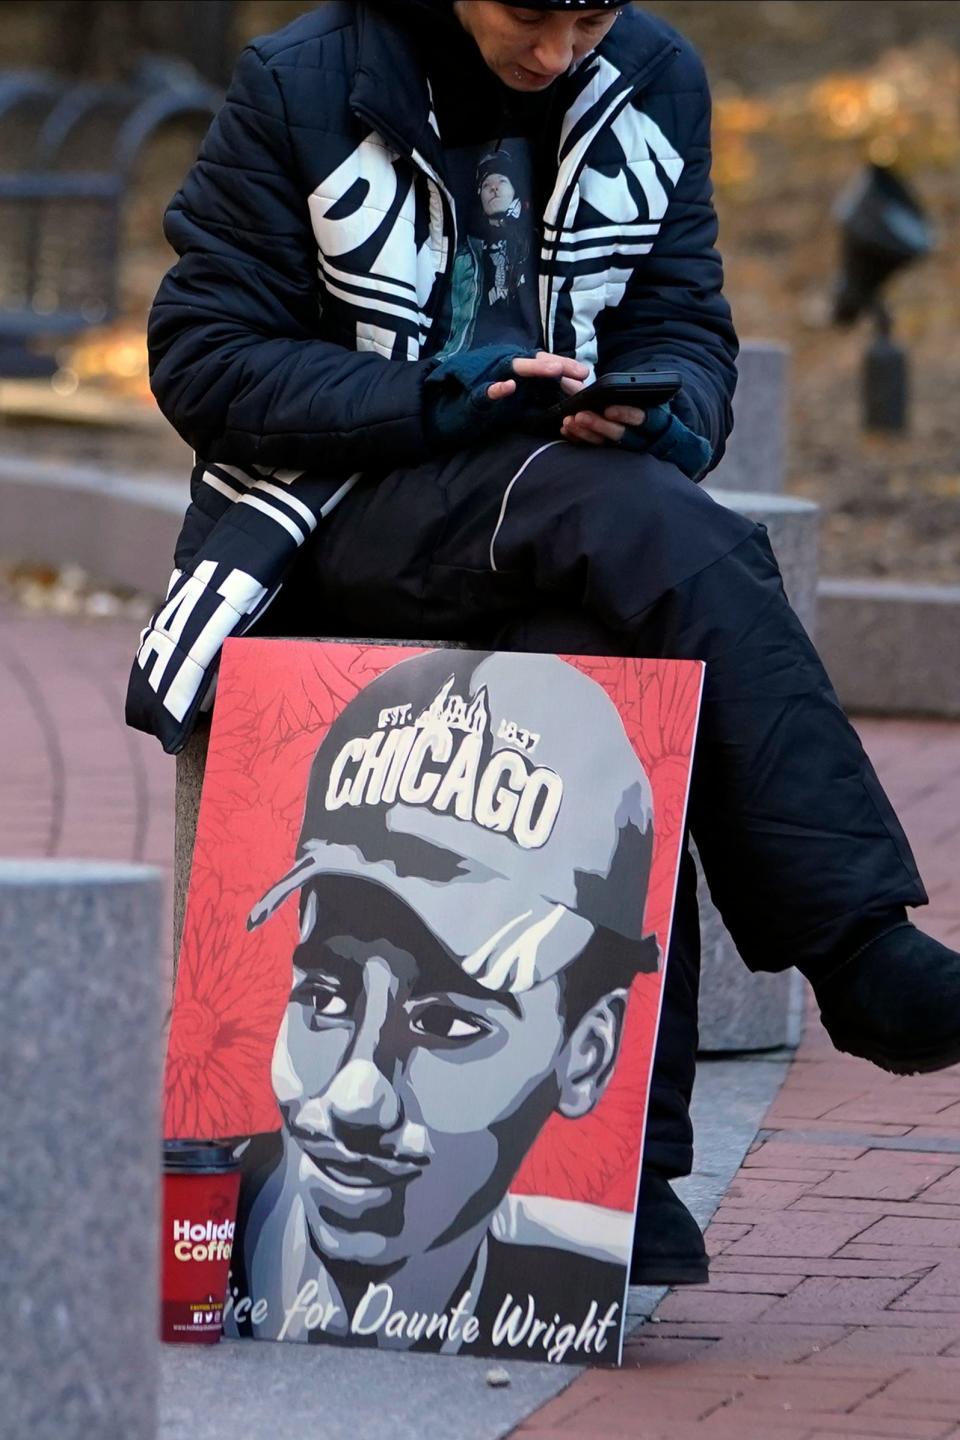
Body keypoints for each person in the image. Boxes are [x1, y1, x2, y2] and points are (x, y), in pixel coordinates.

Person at [127, 0, 960, 1291]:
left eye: (591, 16)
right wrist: (434, 393)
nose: (561, 50)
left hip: (558, 523)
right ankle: (858, 951)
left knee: (607, 628)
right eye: (533, 15)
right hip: (335, 518)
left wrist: (663, 412)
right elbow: (202, 357)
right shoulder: (303, 83)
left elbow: (688, 326)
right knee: (671, 544)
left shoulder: (651, 79)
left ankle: (628, 1171)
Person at [224, 649, 657, 1356]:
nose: (357, 1096)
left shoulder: (578, 1288)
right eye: (325, 997)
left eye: (447, 1021)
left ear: (587, 1055)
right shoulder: (174, 1231)